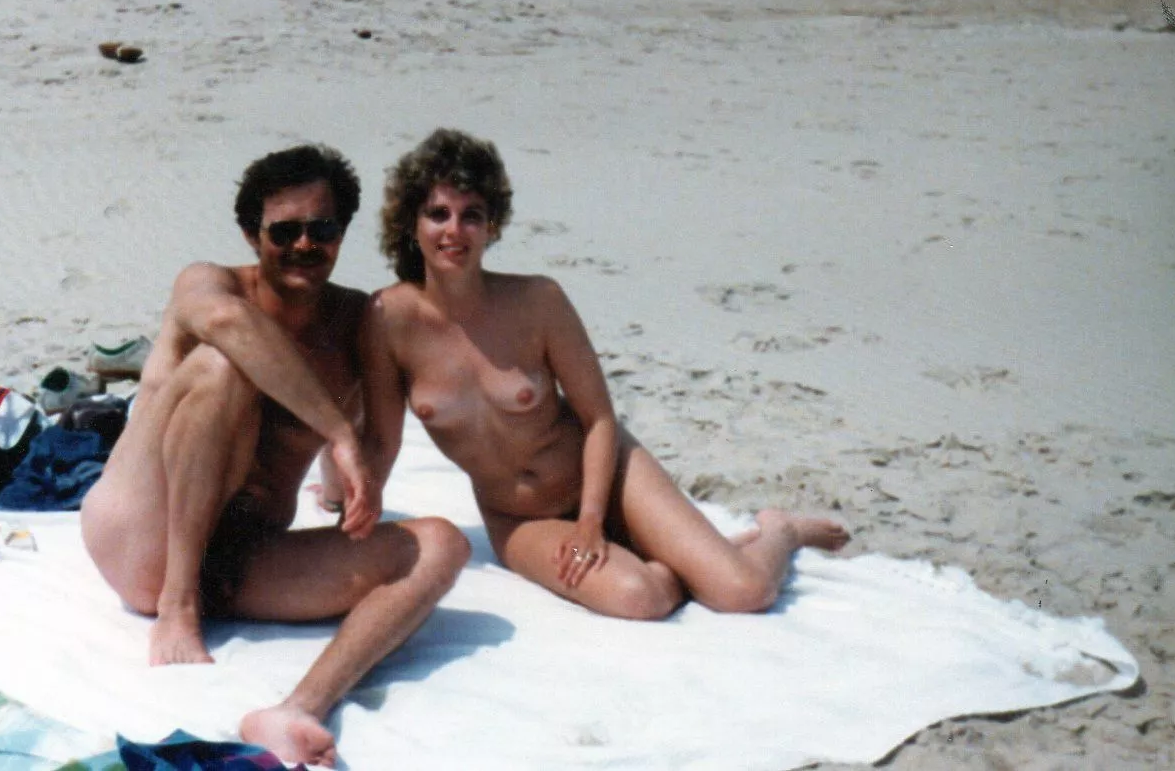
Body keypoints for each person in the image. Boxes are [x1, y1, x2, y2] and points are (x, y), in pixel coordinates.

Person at [80, 144, 471, 768]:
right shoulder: (209, 285)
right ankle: (178, 606)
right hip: (144, 544)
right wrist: (338, 432)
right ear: (250, 233)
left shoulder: (353, 321)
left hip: (240, 559)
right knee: (221, 370)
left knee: (441, 545)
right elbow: (231, 328)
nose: (303, 246)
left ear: (343, 232)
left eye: (323, 229)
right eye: (283, 231)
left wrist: (351, 490)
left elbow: (378, 439)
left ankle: (299, 708)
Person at [358, 129, 849, 622]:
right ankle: (684, 557)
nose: (454, 231)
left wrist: (592, 520)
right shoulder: (388, 320)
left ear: (493, 226)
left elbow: (598, 418)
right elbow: (382, 439)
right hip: (519, 517)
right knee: (641, 597)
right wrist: (354, 507)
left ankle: (780, 532)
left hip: (610, 476)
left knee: (743, 592)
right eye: (438, 214)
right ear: (411, 222)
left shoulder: (538, 301)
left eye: (472, 216)